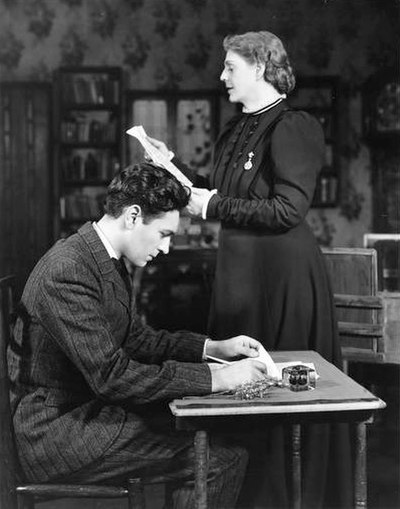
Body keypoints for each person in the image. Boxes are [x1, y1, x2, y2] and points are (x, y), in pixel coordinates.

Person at [147, 31, 353, 508]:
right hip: (242, 275)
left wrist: (214, 205)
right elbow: (218, 192)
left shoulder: (293, 125)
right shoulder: (237, 127)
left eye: (230, 67)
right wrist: (170, 165)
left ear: (260, 67)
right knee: (243, 390)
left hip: (281, 278)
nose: (222, 76)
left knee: (278, 400)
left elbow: (286, 211)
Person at [8, 163, 268, 508]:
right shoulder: (68, 270)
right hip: (57, 435)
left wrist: (212, 348)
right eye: (164, 234)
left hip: (85, 414)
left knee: (218, 441)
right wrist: (215, 379)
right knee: (223, 457)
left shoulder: (101, 257)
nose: (166, 249)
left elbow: (137, 340)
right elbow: (111, 377)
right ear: (133, 216)